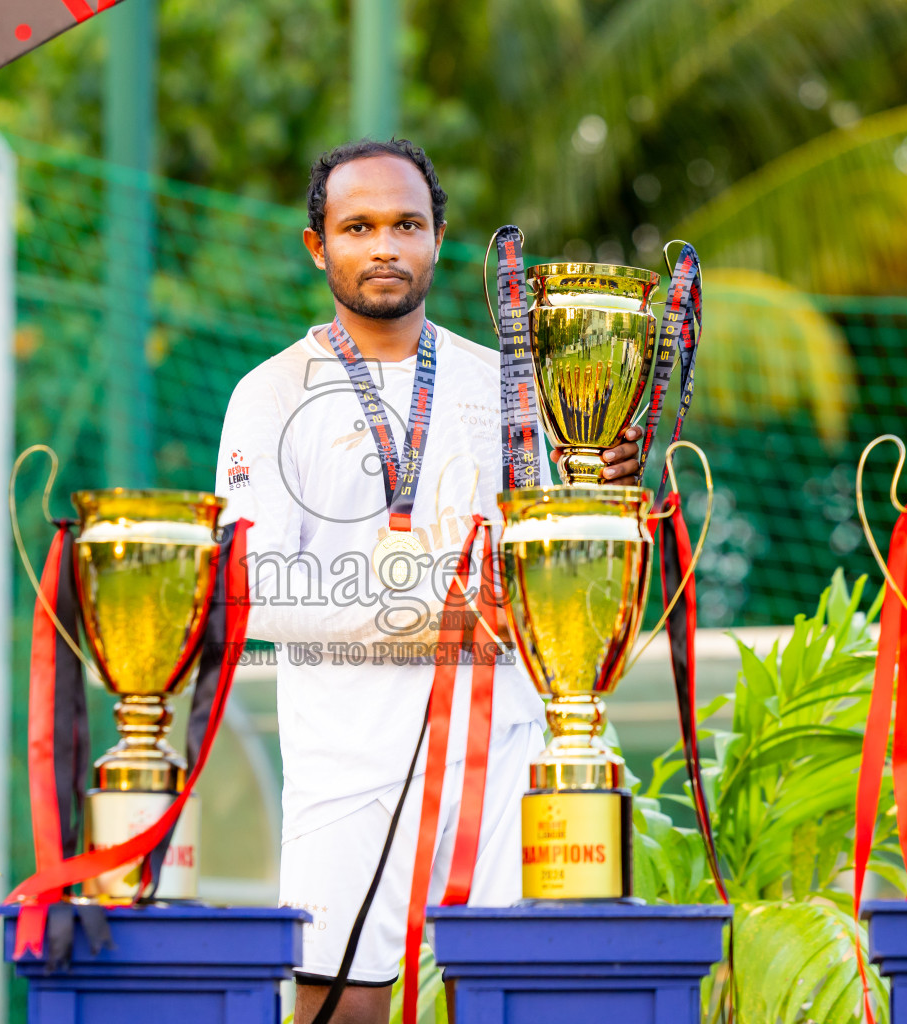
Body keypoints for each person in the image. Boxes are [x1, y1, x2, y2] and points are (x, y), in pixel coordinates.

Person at [215, 138, 640, 1024]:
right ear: (316, 245)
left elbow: (557, 568)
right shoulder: (272, 393)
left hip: (508, 740)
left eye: (406, 224)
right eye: (357, 226)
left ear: (438, 236)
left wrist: (606, 485)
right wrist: (403, 613)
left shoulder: (513, 388)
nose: (383, 246)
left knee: (514, 992)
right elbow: (243, 588)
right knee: (341, 1003)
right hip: (350, 753)